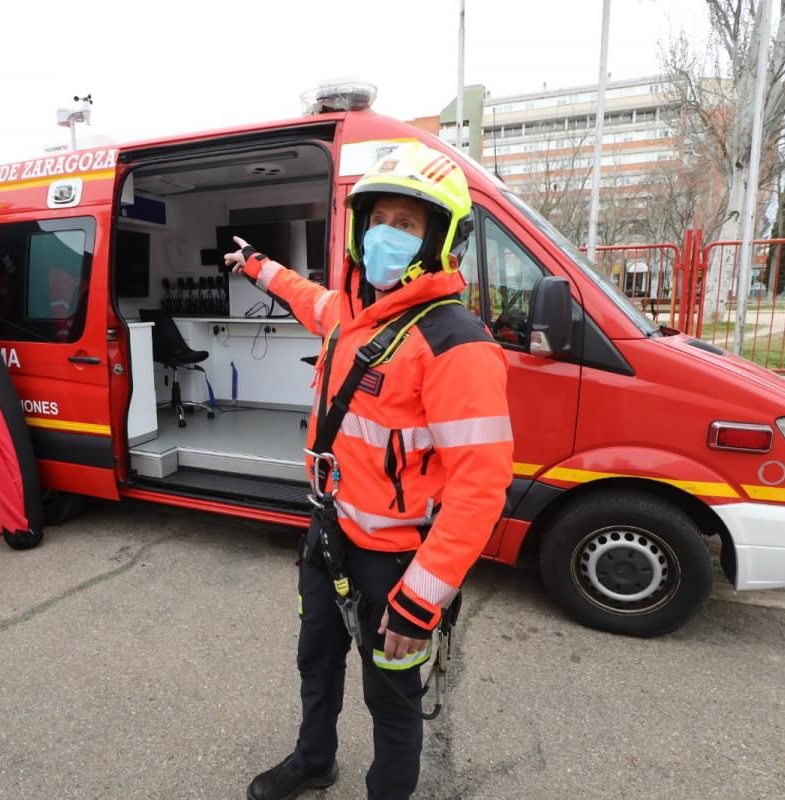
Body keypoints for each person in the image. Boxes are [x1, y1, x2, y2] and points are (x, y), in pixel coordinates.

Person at [225, 143, 514, 800]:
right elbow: (306, 296)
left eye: (407, 223)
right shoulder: (350, 316)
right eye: (378, 218)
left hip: (399, 563)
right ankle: (313, 759)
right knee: (317, 663)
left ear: (439, 239)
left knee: (392, 698)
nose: (387, 234)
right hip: (330, 536)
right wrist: (254, 265)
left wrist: (421, 601)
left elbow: (479, 489)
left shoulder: (454, 342)